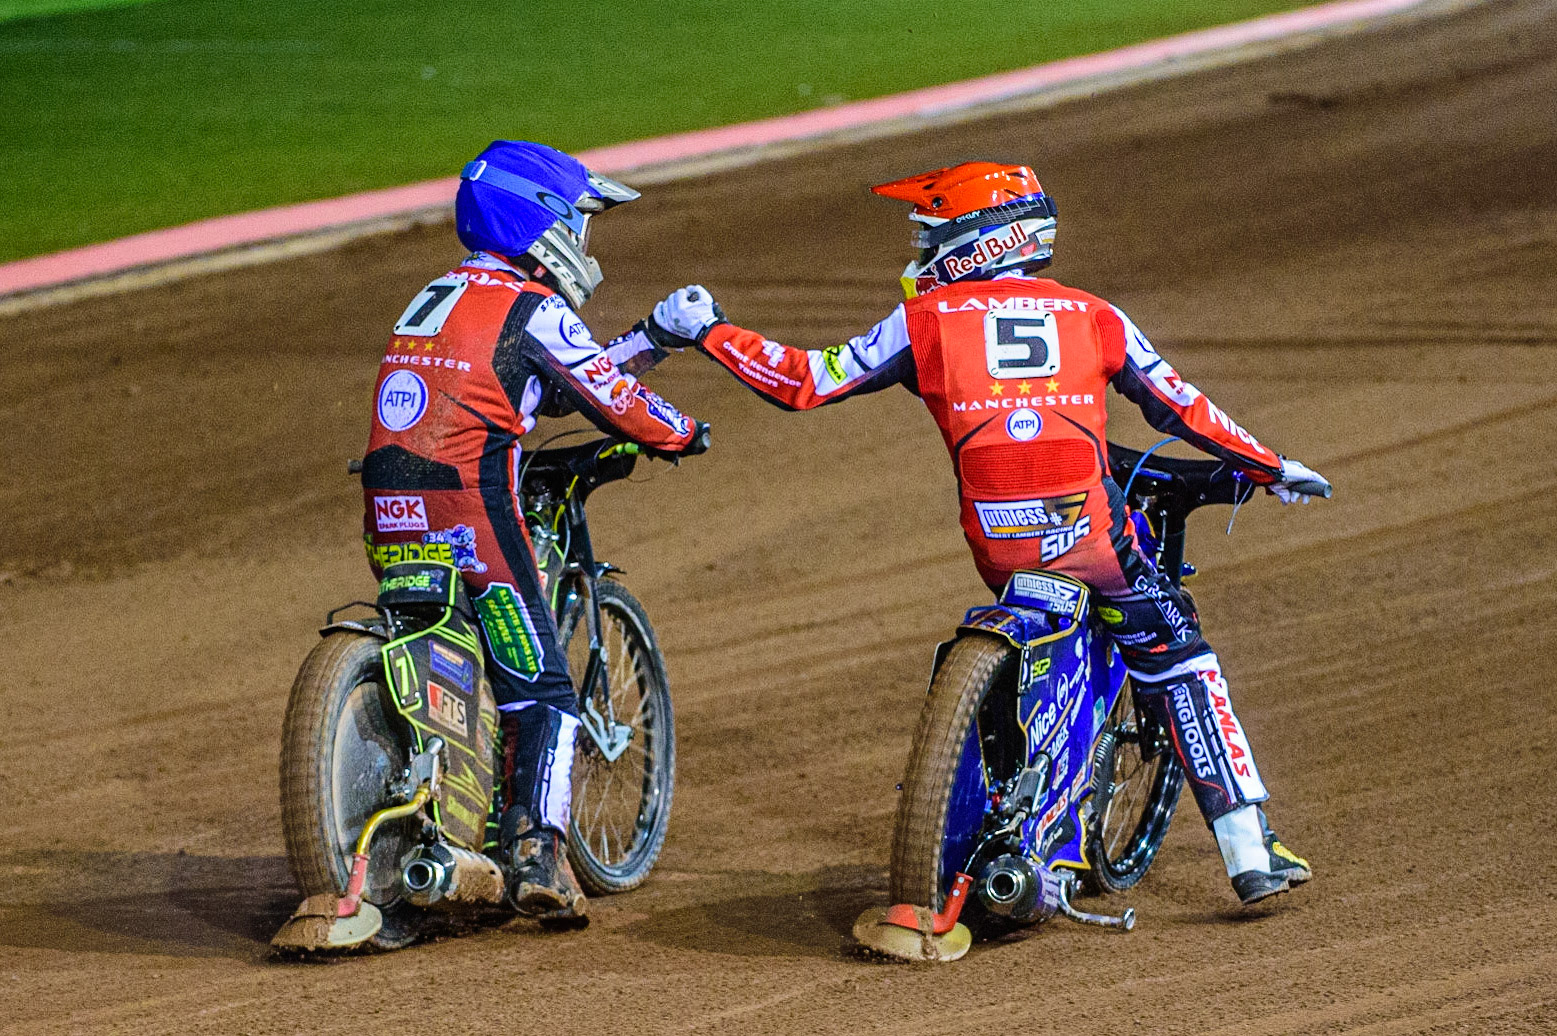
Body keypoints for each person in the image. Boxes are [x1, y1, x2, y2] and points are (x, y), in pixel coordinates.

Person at [640, 162, 1326, 906]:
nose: (920, 252)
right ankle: (1247, 850)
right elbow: (1182, 406)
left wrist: (708, 331)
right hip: (1090, 538)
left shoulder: (922, 320)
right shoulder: (1096, 315)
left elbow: (803, 381)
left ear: (977, 240)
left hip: (996, 543)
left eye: (930, 236)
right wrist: (1271, 466)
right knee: (1177, 653)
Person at [362, 140, 709, 926]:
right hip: (469, 507)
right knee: (542, 686)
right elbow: (607, 398)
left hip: (387, 504)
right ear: (542, 223)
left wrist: (653, 336)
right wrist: (680, 431)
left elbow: (540, 388)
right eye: (579, 221)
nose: (585, 240)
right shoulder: (534, 307)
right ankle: (536, 852)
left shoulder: (436, 294)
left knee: (457, 642)